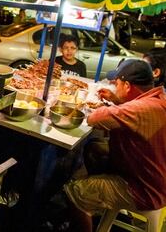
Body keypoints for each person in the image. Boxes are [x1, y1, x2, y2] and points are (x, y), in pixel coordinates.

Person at [64, 59, 166, 232]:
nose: (114, 87)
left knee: (74, 191)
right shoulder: (158, 99)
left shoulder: (142, 109)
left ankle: (87, 203)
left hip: (143, 189)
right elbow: (135, 112)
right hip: (154, 177)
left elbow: (93, 119)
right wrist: (117, 100)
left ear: (127, 85)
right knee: (94, 149)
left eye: (116, 83)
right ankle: (97, 204)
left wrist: (114, 104)